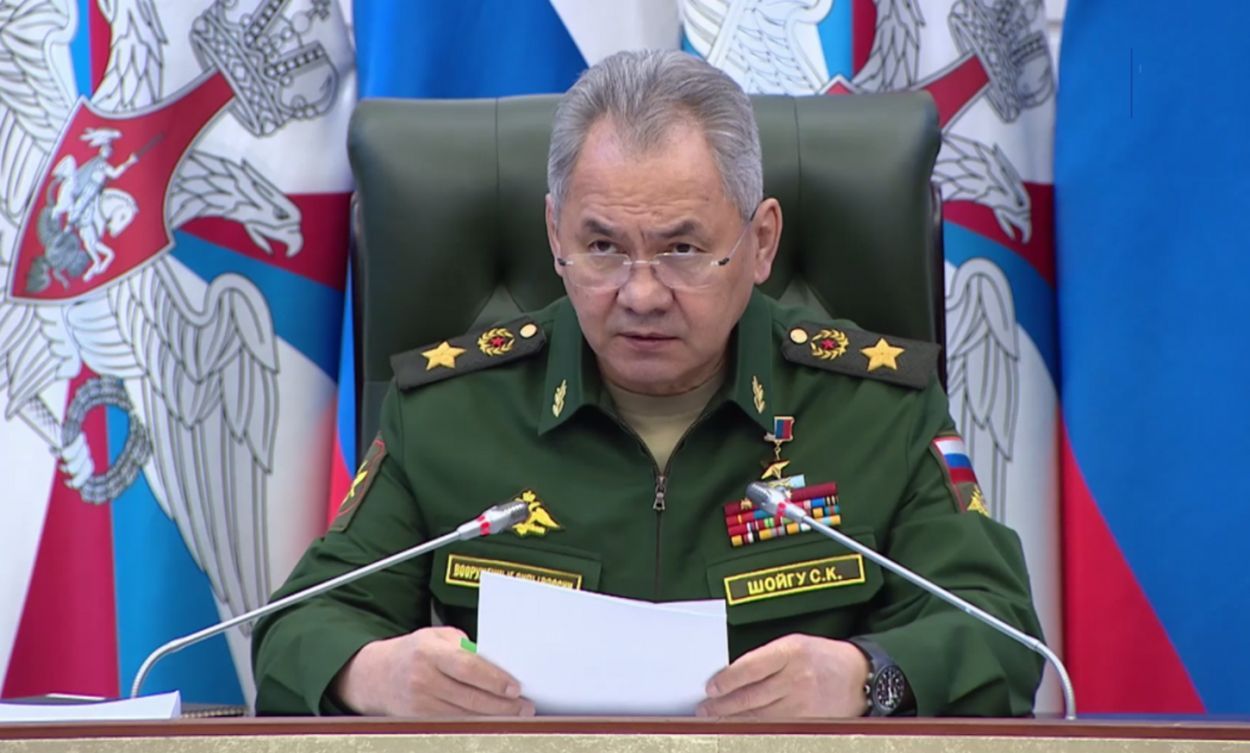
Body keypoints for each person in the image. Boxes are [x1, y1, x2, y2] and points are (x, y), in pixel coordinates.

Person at [252, 49, 1044, 718]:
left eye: (682, 250)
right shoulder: (450, 409)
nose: (639, 293)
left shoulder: (877, 407)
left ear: (761, 241)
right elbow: (298, 628)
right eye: (602, 247)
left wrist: (869, 678)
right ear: (554, 234)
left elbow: (1001, 632)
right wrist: (376, 673)